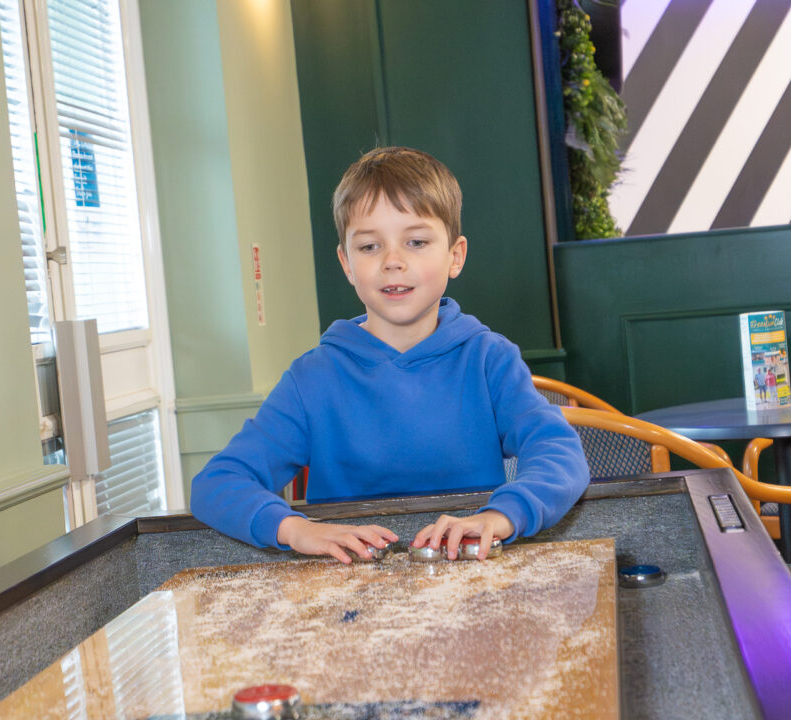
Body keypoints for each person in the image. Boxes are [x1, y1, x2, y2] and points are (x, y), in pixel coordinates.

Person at [190, 146, 590, 563]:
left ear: (455, 256)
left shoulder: (490, 361)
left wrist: (501, 516)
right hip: (348, 586)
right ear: (346, 263)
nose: (393, 261)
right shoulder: (312, 379)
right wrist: (295, 529)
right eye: (369, 247)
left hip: (469, 577)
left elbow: (560, 454)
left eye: (416, 242)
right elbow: (217, 483)